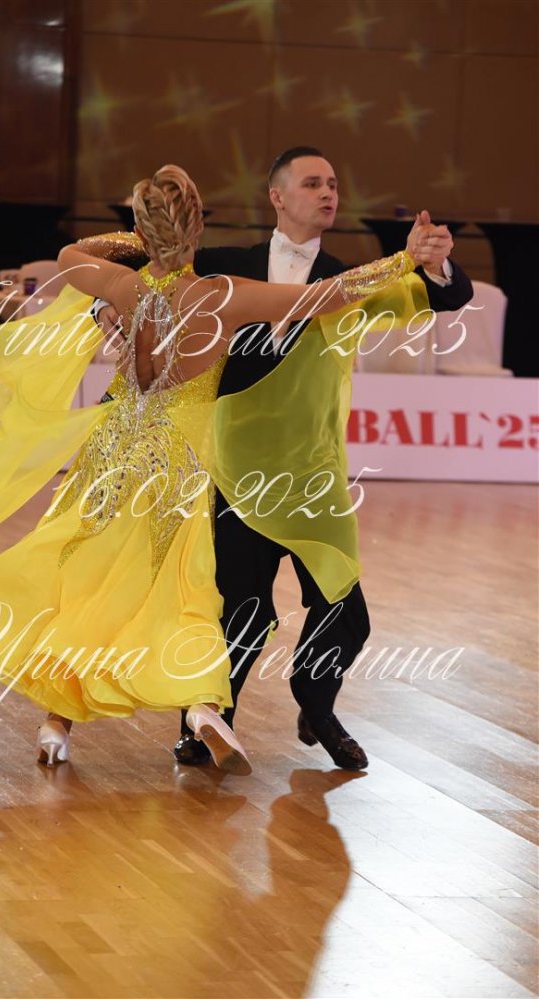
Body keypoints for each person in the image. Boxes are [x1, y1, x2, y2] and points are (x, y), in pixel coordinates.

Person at [0, 165, 435, 777]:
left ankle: (57, 723)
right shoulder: (220, 294)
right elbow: (327, 294)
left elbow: (69, 253)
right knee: (187, 588)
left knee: (87, 578)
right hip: (178, 463)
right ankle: (204, 706)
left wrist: (136, 239)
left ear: (144, 226)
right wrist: (404, 260)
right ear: (199, 226)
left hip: (113, 451)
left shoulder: (121, 286)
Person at [97, 149, 473, 771]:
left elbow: (446, 295)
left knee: (344, 611)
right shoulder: (221, 267)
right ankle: (207, 723)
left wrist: (434, 263)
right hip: (237, 470)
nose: (328, 192)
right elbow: (138, 274)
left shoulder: (348, 282)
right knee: (237, 610)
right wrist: (105, 309)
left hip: (314, 476)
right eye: (312, 182)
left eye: (334, 183)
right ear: (276, 196)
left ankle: (316, 706)